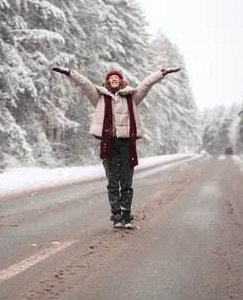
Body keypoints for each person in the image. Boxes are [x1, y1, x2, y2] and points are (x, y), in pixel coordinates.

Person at [52, 66, 181, 228]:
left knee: (126, 182)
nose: (114, 79)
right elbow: (84, 84)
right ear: (107, 82)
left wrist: (162, 73)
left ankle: (126, 215)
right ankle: (117, 215)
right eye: (111, 78)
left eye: (116, 77)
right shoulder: (98, 97)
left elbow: (146, 84)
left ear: (121, 81)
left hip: (126, 143)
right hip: (108, 143)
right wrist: (70, 73)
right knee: (113, 182)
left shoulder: (131, 97)